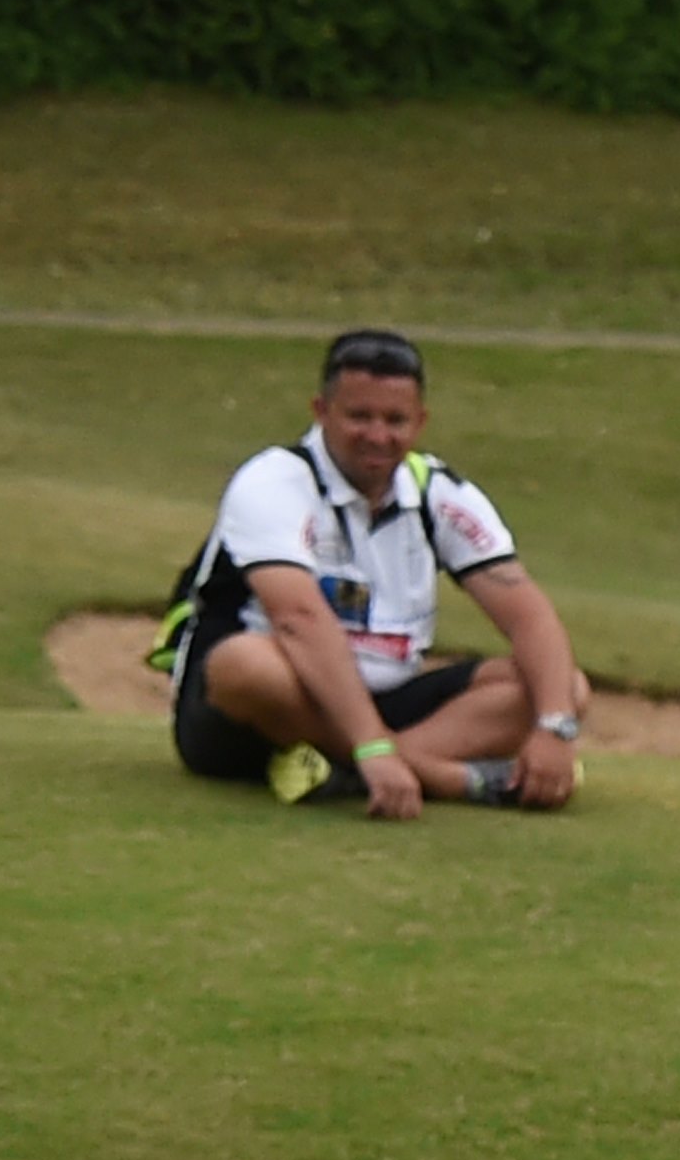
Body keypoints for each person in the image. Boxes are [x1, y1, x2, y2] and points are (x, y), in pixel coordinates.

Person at [160, 329, 593, 818]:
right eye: (359, 416)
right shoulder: (274, 479)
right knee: (246, 665)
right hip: (259, 710)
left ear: (421, 422)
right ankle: (443, 777)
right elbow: (297, 618)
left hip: (387, 697)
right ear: (321, 411)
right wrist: (371, 747)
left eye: (395, 420)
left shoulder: (437, 491)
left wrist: (555, 727)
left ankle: (347, 769)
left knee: (564, 687)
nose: (378, 435)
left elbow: (528, 616)